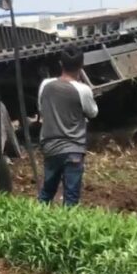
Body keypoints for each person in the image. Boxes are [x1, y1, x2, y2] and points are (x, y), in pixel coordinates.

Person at [37, 46, 98, 206]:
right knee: (71, 198)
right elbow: (93, 113)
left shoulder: (46, 85)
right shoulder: (83, 90)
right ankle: (66, 230)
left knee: (46, 193)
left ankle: (34, 225)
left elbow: (41, 107)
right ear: (81, 66)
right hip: (73, 150)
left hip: (50, 148)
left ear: (60, 63)